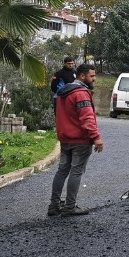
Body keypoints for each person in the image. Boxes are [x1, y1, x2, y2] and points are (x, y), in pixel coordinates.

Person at [48, 64, 103, 217]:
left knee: (62, 171)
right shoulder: (81, 93)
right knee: (76, 172)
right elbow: (87, 118)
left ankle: (54, 205)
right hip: (80, 140)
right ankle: (70, 206)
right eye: (91, 76)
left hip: (65, 138)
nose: (94, 78)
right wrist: (96, 137)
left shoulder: (62, 92)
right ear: (82, 76)